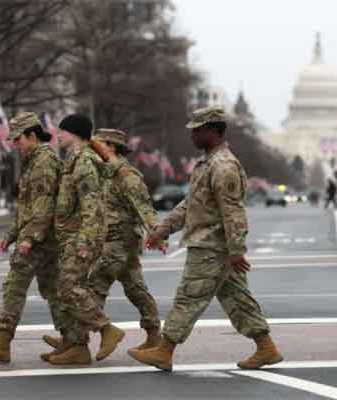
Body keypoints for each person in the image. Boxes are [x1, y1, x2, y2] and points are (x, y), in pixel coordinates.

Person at [129, 106, 283, 372]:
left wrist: (236, 249)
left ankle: (164, 351)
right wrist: (161, 230)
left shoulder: (223, 166)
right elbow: (190, 205)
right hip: (211, 244)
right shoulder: (207, 164)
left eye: (197, 130)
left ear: (213, 131)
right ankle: (266, 347)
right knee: (238, 299)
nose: (192, 135)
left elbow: (233, 211)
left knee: (188, 298)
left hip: (212, 246)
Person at [0, 113, 62, 363]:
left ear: (32, 135)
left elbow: (43, 206)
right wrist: (11, 235)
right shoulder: (35, 160)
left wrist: (29, 239)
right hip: (44, 236)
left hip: (39, 237)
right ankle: (74, 340)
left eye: (18, 139)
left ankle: (2, 343)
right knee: (53, 289)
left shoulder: (43, 161)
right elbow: (27, 207)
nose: (14, 144)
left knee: (14, 286)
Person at [46, 114, 124, 365]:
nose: (58, 135)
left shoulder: (84, 162)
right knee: (64, 288)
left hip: (81, 237)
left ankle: (106, 329)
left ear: (75, 133)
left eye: (62, 131)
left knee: (69, 287)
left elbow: (92, 207)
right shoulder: (74, 158)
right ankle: (75, 345)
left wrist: (85, 242)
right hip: (71, 235)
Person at [79, 129, 162, 351]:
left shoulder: (126, 174)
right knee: (135, 288)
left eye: (98, 144)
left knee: (93, 286)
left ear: (111, 147)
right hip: (114, 238)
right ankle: (154, 334)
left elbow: (143, 205)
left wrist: (157, 232)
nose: (93, 148)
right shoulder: (106, 172)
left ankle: (77, 340)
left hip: (119, 239)